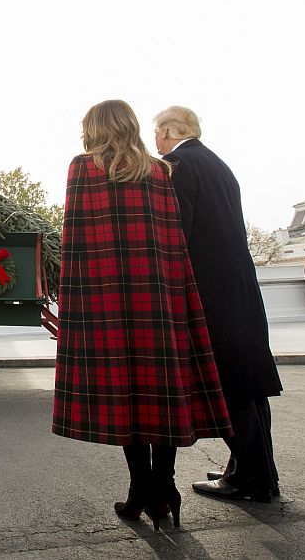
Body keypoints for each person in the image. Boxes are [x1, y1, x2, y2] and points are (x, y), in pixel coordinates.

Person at [53, 100, 232, 531]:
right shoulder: (159, 171)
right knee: (160, 389)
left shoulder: (83, 168)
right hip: (160, 297)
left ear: (96, 129)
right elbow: (173, 242)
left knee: (124, 392)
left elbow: (75, 243)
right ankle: (164, 489)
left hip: (107, 299)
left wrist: (71, 303)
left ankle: (140, 489)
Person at [154, 105, 283, 502]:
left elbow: (178, 235)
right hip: (238, 285)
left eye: (156, 131)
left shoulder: (177, 164)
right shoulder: (217, 163)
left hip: (208, 291)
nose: (153, 140)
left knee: (226, 383)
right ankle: (251, 469)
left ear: (170, 130)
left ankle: (254, 480)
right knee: (248, 383)